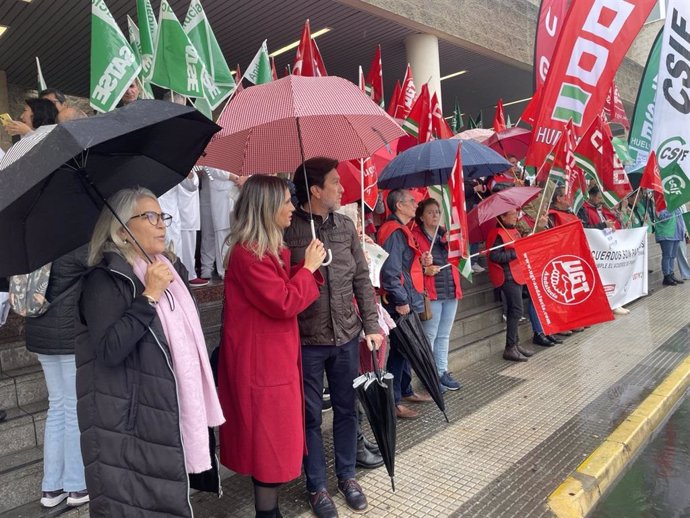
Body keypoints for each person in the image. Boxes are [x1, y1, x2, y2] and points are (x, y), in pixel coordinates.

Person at [79, 187, 224, 517]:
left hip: (165, 406)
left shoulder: (167, 269)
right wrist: (148, 297)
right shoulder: (105, 279)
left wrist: (164, 280)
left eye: (163, 217)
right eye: (151, 217)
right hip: (132, 419)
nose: (162, 225)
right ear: (122, 230)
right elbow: (109, 350)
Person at [218, 176, 326, 518]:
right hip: (261, 368)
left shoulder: (265, 251)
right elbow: (282, 301)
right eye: (286, 202)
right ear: (266, 208)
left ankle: (270, 510)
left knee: (272, 442)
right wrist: (306, 268)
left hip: (272, 363)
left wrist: (307, 265)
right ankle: (267, 513)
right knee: (268, 444)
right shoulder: (248, 255)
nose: (293, 207)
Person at [284, 157, 382, 518]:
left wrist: (371, 326)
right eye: (335, 183)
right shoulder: (288, 230)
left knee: (347, 409)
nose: (342, 189)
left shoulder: (345, 227)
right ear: (315, 190)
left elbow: (361, 278)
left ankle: (347, 476)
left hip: (345, 335)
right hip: (306, 340)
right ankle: (317, 486)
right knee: (310, 416)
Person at [25, 246, 89, 508]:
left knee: (58, 407)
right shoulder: (74, 245)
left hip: (39, 333)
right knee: (73, 409)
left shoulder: (34, 246)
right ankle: (76, 485)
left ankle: (51, 487)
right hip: (67, 337)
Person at [378, 189, 433, 419]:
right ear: (399, 205)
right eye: (411, 201)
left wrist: (422, 260)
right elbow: (391, 272)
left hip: (406, 296)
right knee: (399, 352)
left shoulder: (401, 230)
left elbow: (402, 265)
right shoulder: (394, 231)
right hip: (399, 301)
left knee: (405, 351)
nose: (415, 203)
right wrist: (401, 300)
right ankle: (394, 401)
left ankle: (405, 391)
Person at [411, 199, 462, 392]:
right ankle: (429, 375)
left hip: (450, 288)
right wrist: (424, 267)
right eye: (430, 212)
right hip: (431, 292)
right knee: (429, 335)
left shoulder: (445, 235)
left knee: (444, 335)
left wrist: (451, 242)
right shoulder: (415, 235)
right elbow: (411, 266)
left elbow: (459, 257)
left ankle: (442, 371)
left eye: (437, 212)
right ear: (421, 216)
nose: (435, 215)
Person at [486, 209, 535, 362]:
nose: (516, 216)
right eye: (512, 214)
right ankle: (510, 347)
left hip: (517, 274)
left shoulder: (512, 230)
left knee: (517, 311)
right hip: (507, 277)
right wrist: (515, 253)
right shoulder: (497, 233)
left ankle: (515, 344)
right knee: (516, 310)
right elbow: (494, 255)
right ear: (502, 216)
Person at [656, 206, 687, 286]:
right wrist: (671, 208)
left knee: (673, 256)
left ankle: (671, 274)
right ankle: (666, 276)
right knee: (667, 255)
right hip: (666, 234)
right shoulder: (660, 203)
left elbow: (680, 219)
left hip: (676, 234)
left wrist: (683, 231)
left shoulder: (676, 206)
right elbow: (662, 217)